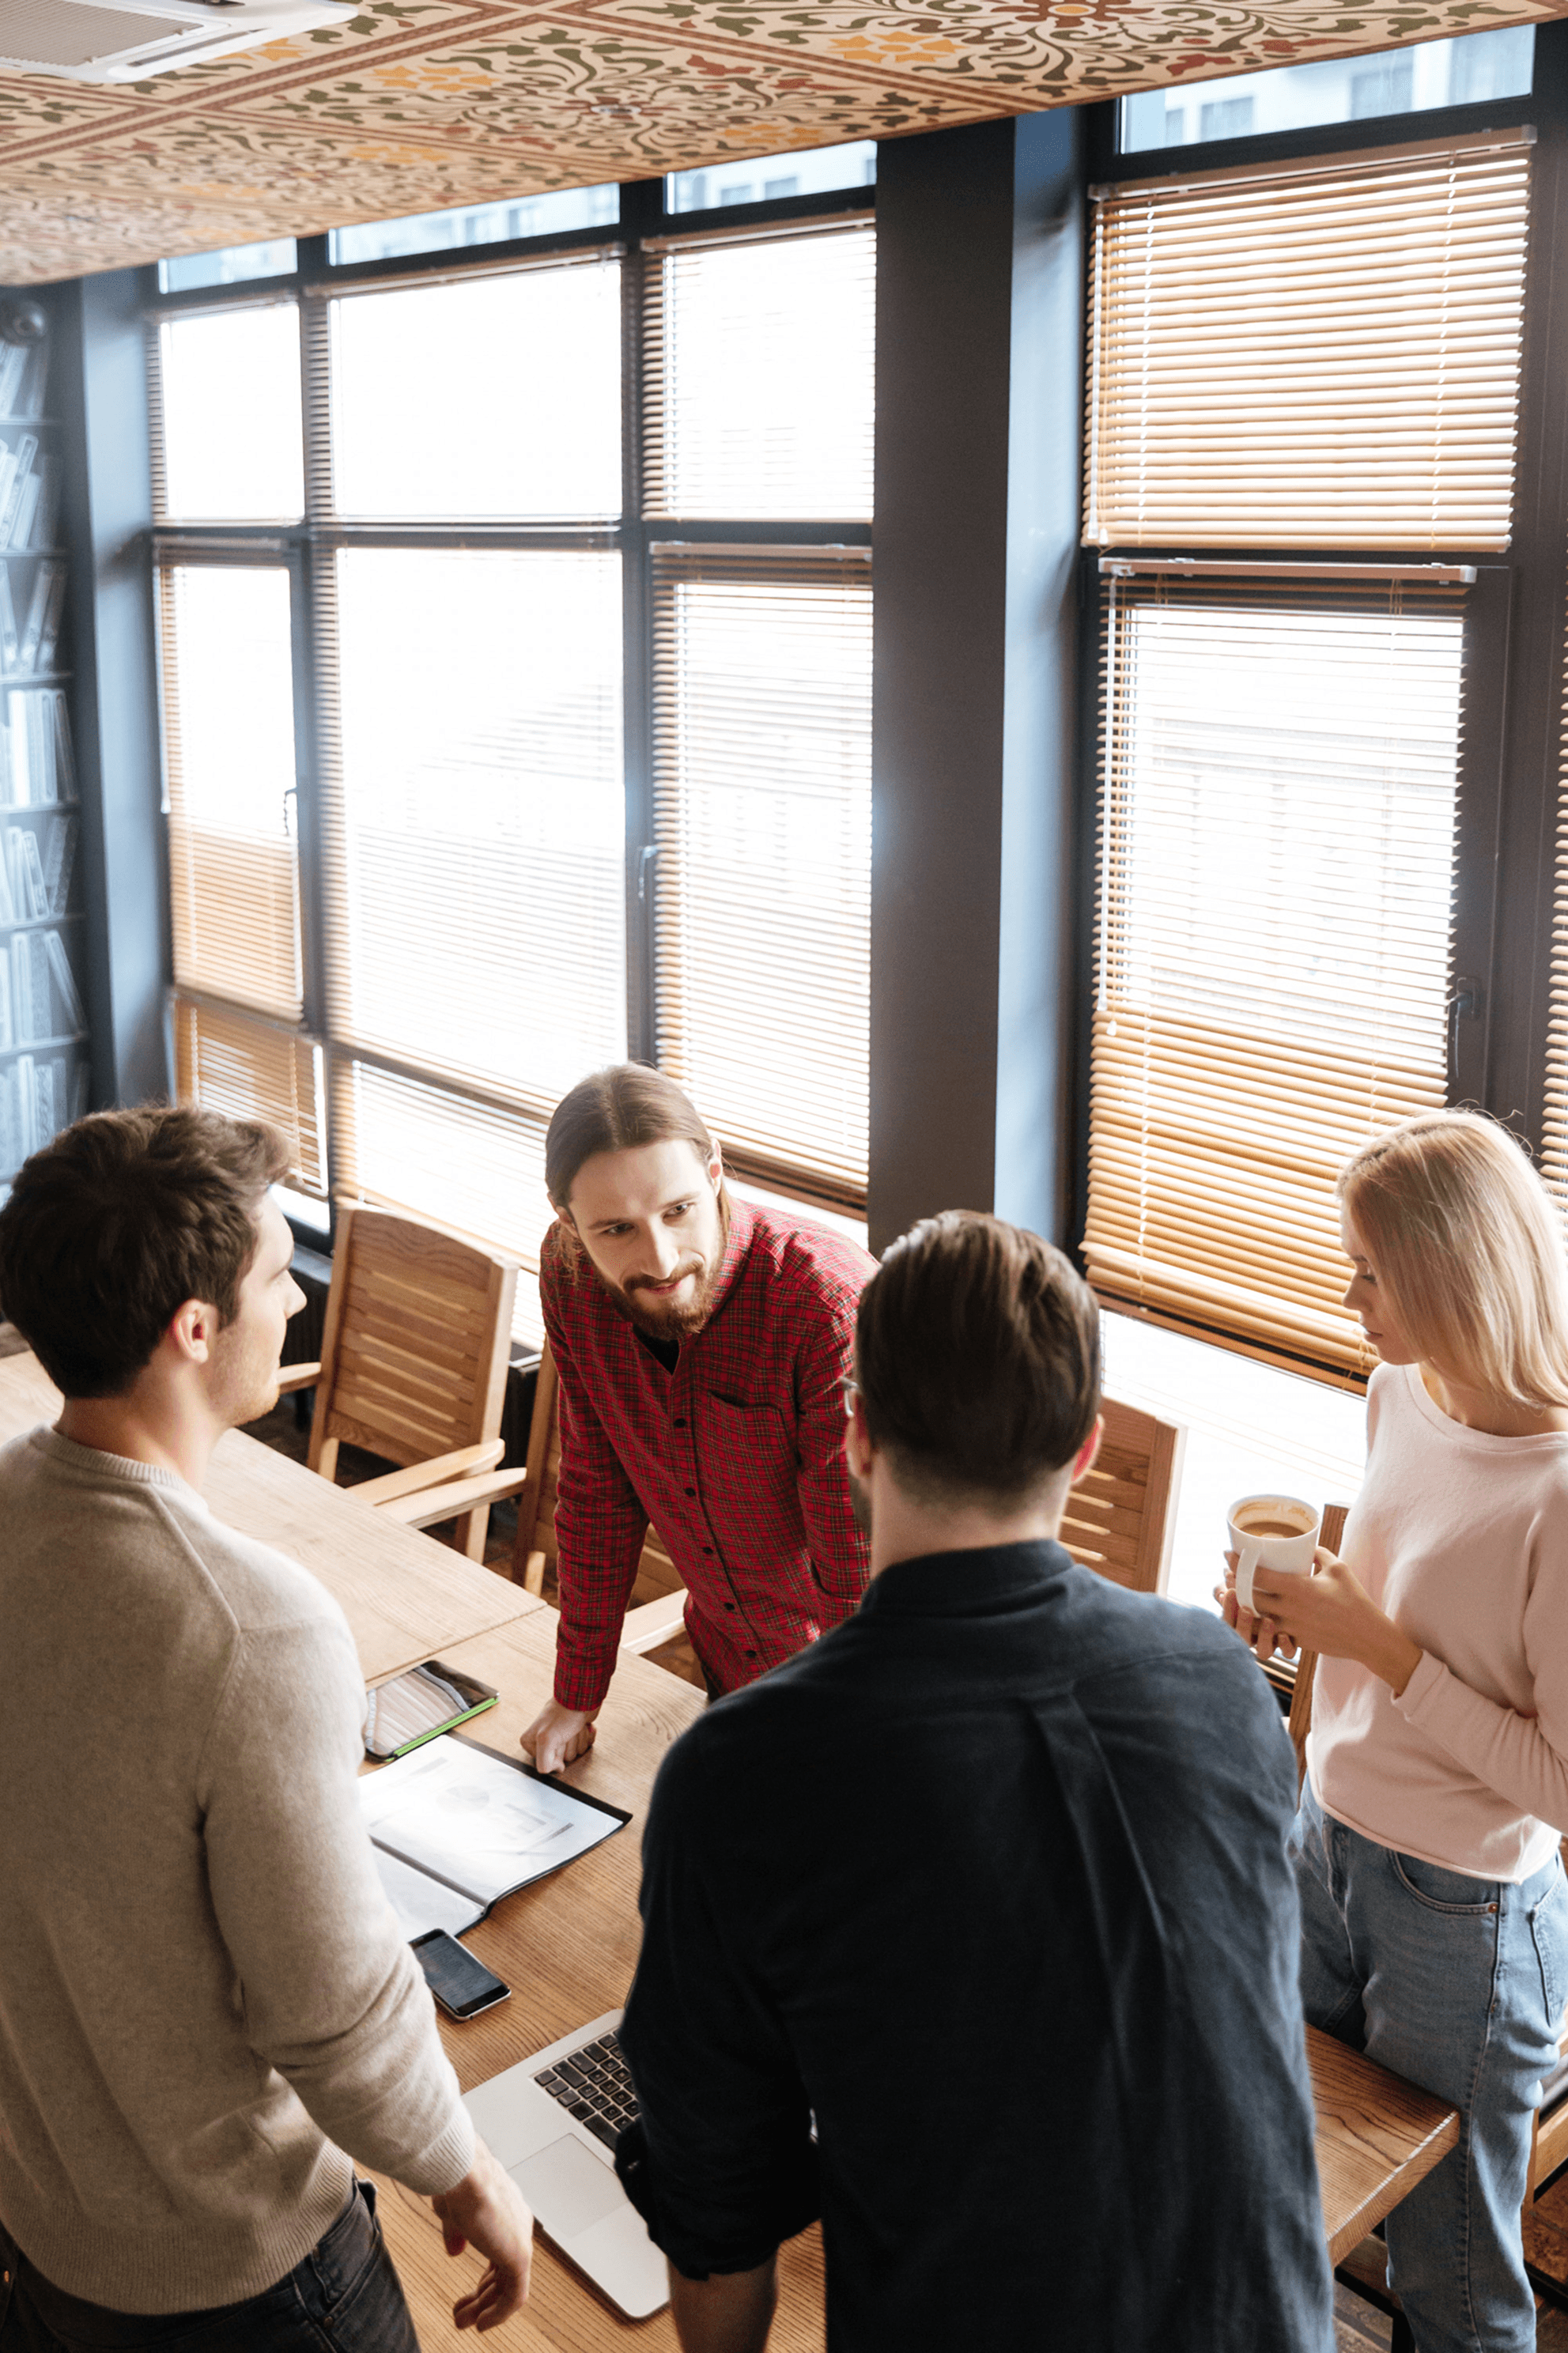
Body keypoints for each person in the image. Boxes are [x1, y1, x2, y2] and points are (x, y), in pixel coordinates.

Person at [612, 1207, 1336, 2353]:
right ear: (1083, 1449)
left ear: (851, 1435)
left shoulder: (742, 1771)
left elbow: (716, 2204)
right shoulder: (1219, 1680)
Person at [0, 1106, 534, 2353]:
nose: (295, 1300)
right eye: (269, 1274)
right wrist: (465, 2173)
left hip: (47, 2227)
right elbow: (332, 2008)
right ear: (194, 1331)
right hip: (232, 2276)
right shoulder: (252, 1627)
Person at [1224, 1109, 1568, 2353]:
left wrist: (1367, 1641)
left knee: (1450, 2279)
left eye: (1370, 1270)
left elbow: (1555, 1786)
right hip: (1323, 1843)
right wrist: (1288, 1610)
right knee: (1294, 2178)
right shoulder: (1394, 1395)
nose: (1348, 1290)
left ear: (1448, 1270)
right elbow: (1395, 1611)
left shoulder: (1557, 1492)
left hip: (1462, 1914)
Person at [519, 1064, 875, 1776]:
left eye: (677, 1210)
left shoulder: (826, 1306)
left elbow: (855, 1576)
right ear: (568, 1221)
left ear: (713, 1173)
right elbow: (595, 1490)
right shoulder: (568, 1272)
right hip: (726, 1668)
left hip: (854, 1692)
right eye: (616, 1229)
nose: (658, 1259)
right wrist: (576, 1694)